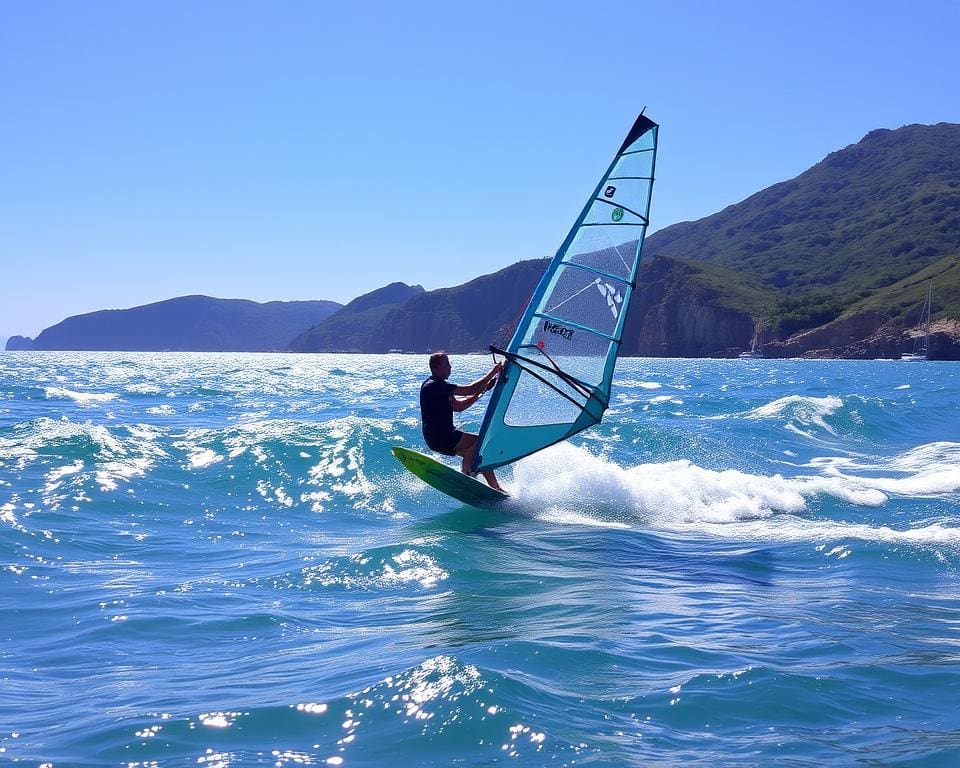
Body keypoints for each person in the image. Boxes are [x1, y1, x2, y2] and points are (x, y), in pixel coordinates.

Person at [420, 351, 504, 491]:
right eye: (447, 364)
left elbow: (459, 406)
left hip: (441, 437)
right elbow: (469, 389)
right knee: (480, 442)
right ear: (436, 367)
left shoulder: (441, 386)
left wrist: (483, 390)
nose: (450, 367)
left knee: (475, 452)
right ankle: (466, 474)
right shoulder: (434, 386)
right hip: (441, 436)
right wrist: (493, 371)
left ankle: (496, 488)